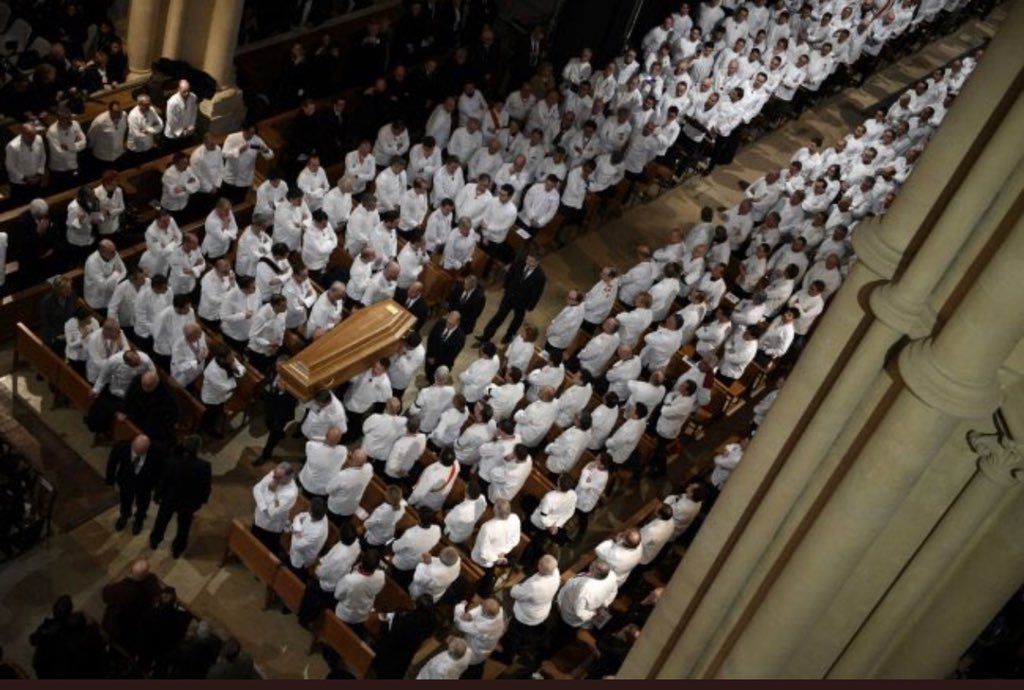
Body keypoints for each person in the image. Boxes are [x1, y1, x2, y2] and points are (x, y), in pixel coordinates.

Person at [149, 435, 212, 558]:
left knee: (161, 521)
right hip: (188, 503)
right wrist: (201, 502)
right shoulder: (204, 466)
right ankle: (178, 548)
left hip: (170, 499)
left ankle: (155, 540)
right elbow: (206, 487)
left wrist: (158, 496)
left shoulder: (172, 461)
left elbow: (163, 481)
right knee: (184, 527)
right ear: (198, 449)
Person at [477, 250, 547, 345]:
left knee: (516, 320)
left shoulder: (540, 276)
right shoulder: (519, 263)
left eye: (531, 261)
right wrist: (505, 287)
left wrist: (530, 306)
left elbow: (537, 293)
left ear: (537, 262)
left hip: (522, 303)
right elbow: (510, 275)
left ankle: (509, 336)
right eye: (528, 259)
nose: (528, 262)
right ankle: (486, 336)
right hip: (509, 296)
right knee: (499, 316)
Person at [105, 433, 167, 535]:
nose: (137, 455)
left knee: (142, 503)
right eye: (135, 452)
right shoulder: (122, 446)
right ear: (133, 443)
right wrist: (110, 479)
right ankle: (124, 515)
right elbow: (112, 462)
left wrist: (158, 490)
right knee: (125, 499)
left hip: (145, 484)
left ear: (147, 448)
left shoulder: (157, 452)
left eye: (141, 453)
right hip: (126, 479)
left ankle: (139, 520)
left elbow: (161, 471)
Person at [101, 559, 161, 653]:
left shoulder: (124, 588)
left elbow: (106, 595)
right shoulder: (152, 582)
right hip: (135, 624)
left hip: (119, 623)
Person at [371, 594, 437, 678]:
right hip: (409, 651)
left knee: (386, 668)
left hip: (395, 649)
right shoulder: (431, 621)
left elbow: (393, 633)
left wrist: (386, 622)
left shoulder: (408, 621)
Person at [251, 461, 299, 555]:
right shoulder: (275, 474)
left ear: (289, 477)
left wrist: (271, 492)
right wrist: (263, 505)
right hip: (259, 516)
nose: (274, 478)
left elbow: (272, 511)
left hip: (271, 525)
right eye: (274, 475)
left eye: (279, 477)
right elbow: (257, 488)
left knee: (266, 548)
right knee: (253, 538)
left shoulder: (290, 493)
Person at [454, 597, 506, 678]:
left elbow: (459, 623)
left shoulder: (482, 627)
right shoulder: (499, 611)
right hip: (486, 647)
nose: (480, 605)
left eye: (482, 605)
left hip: (475, 651)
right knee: (479, 664)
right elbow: (482, 609)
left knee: (469, 670)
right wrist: (470, 614)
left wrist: (460, 606)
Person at [334, 549, 386, 628]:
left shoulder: (350, 580)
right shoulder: (381, 576)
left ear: (361, 561)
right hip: (363, 614)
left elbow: (337, 595)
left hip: (345, 614)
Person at [288, 497, 330, 579]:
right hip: (300, 540)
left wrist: (296, 527)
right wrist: (297, 525)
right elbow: (301, 516)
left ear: (311, 510)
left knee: (294, 573)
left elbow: (297, 544)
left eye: (309, 508)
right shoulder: (322, 515)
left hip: (301, 557)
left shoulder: (316, 532)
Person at [425, 311, 466, 382]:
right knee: (428, 372)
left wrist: (435, 361)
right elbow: (430, 339)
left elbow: (451, 355)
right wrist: (430, 355)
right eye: (447, 321)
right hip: (430, 357)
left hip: (441, 363)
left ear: (457, 323)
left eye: (450, 324)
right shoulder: (440, 323)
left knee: (435, 378)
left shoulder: (460, 338)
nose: (447, 325)